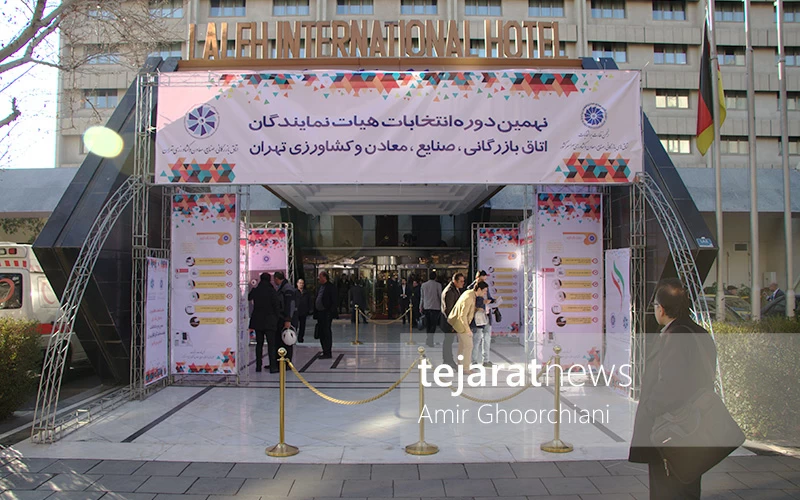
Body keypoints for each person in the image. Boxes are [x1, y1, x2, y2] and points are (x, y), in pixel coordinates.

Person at [629, 278, 718, 499]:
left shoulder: (674, 336)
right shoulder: (699, 332)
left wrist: (649, 409)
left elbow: (671, 385)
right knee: (687, 485)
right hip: (695, 425)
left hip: (672, 429)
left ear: (661, 308)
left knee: (667, 487)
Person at [447, 281, 489, 374]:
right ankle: (465, 368)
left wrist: (476, 309)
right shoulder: (469, 297)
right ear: (479, 289)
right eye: (484, 291)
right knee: (469, 346)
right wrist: (468, 330)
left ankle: (461, 366)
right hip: (462, 324)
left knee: (462, 346)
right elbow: (463, 315)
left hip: (460, 323)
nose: (485, 293)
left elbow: (467, 309)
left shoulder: (470, 294)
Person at [248, 273, 282, 373]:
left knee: (259, 344)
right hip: (270, 321)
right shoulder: (272, 291)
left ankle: (258, 366)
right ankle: (273, 366)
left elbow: (249, 297)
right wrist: (277, 318)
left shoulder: (256, 290)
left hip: (258, 321)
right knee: (271, 345)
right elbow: (276, 305)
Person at [468, 270, 495, 367]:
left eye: (484, 280)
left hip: (486, 315)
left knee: (487, 339)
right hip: (478, 317)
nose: (483, 281)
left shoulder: (486, 287)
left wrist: (491, 301)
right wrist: (482, 303)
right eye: (481, 279)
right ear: (477, 278)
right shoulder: (471, 289)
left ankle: (486, 360)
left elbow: (490, 297)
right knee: (477, 339)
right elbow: (471, 303)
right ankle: (474, 361)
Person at [273, 271, 298, 372]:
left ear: (276, 278)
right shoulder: (282, 288)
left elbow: (290, 305)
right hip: (281, 318)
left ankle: (287, 363)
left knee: (287, 340)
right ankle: (280, 362)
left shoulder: (287, 289)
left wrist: (288, 319)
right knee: (280, 341)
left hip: (285, 318)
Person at [440, 272, 465, 369]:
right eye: (461, 281)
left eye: (463, 281)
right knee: (448, 341)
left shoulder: (455, 289)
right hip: (449, 322)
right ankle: (448, 360)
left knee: (449, 341)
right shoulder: (450, 291)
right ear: (455, 281)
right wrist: (453, 323)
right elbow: (449, 310)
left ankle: (448, 360)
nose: (463, 283)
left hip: (451, 321)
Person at [314, 271, 338, 359]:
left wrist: (330, 312)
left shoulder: (331, 287)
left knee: (326, 332)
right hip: (320, 313)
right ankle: (324, 350)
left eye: (320, 277)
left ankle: (328, 351)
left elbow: (334, 300)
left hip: (326, 313)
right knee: (321, 332)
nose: (319, 279)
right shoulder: (320, 287)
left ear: (325, 277)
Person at [421, 272, 443, 347]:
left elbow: (422, 297)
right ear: (435, 277)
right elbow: (440, 296)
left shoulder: (424, 285)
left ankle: (428, 338)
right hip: (435, 307)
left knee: (428, 324)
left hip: (426, 306)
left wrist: (420, 306)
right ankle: (430, 339)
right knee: (433, 324)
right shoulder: (438, 285)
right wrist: (442, 305)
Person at [296, 278, 313, 343]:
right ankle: (293, 337)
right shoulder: (294, 292)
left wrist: (309, 309)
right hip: (296, 311)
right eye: (300, 283)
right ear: (297, 284)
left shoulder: (306, 293)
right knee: (295, 325)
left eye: (302, 283)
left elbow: (309, 301)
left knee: (302, 326)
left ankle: (300, 338)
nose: (301, 284)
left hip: (303, 311)